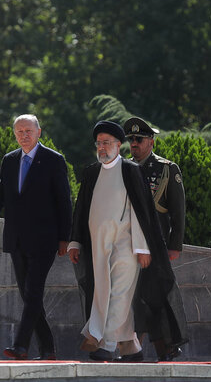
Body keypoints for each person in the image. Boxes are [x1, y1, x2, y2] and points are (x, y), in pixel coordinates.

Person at [68, 120, 177, 362]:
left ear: (119, 145)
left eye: (107, 143)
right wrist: (75, 242)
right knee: (105, 293)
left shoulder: (130, 170)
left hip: (127, 245)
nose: (102, 148)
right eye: (99, 144)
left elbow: (141, 212)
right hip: (98, 246)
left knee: (119, 294)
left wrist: (141, 247)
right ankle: (131, 347)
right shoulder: (91, 172)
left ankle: (106, 343)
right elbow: (81, 209)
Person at [0, 114, 72, 360]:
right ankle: (48, 349)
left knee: (34, 292)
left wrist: (64, 238)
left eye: (28, 130)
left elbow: (64, 202)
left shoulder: (53, 160)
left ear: (39, 132)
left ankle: (21, 346)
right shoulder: (9, 161)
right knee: (29, 296)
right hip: (16, 240)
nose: (24, 135)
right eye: (19, 132)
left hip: (45, 240)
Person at [123, 116, 188, 361]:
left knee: (151, 296)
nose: (135, 144)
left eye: (139, 139)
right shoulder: (124, 168)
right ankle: (163, 348)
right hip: (128, 245)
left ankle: (138, 348)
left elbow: (178, 211)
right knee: (140, 297)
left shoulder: (166, 169)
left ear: (151, 141)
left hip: (155, 246)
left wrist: (175, 245)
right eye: (131, 140)